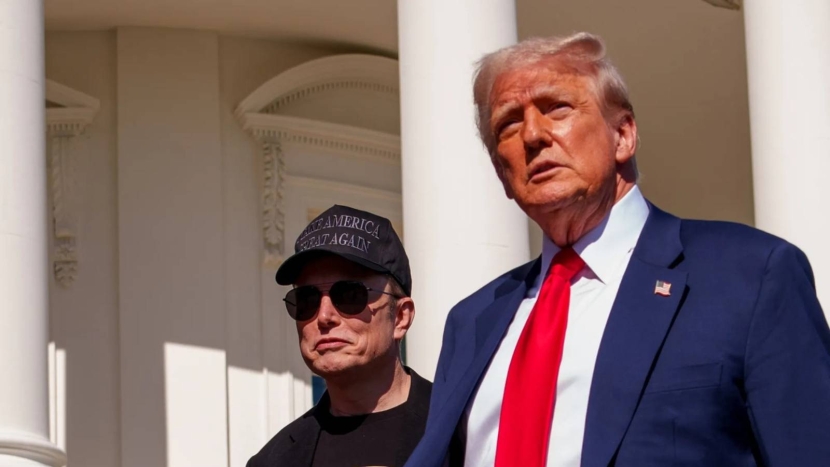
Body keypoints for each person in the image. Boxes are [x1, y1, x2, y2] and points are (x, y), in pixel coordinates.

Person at [405, 32, 830, 467]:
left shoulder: (750, 275)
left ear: (623, 135)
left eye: (557, 107)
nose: (532, 134)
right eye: (509, 124)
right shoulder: (473, 321)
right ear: (502, 173)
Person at [248, 205, 431, 467]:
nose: (324, 316)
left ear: (400, 317)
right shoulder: (273, 461)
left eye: (350, 294)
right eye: (307, 299)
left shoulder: (466, 430)